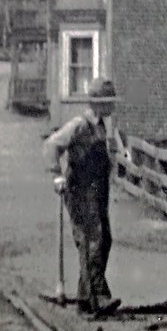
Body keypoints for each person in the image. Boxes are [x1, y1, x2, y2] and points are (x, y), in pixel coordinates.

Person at [42, 77, 122, 317]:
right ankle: (97, 297)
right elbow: (51, 146)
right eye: (109, 103)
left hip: (97, 192)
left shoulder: (101, 127)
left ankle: (87, 299)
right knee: (90, 242)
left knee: (103, 239)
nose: (112, 107)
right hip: (79, 191)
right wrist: (57, 175)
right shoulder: (79, 125)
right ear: (98, 104)